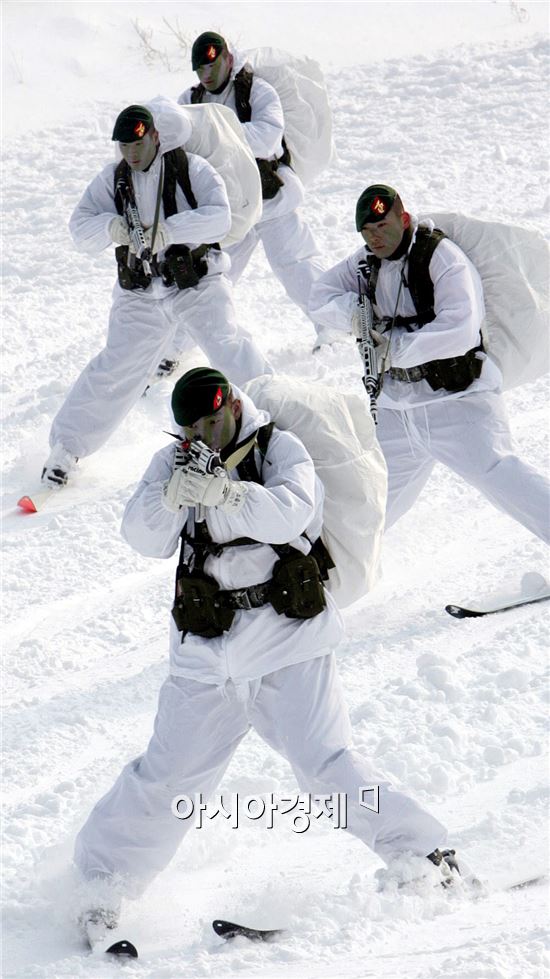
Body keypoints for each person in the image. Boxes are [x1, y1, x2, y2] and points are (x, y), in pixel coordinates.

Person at [74, 367, 458, 938]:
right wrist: (170, 498)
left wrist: (227, 492)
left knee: (325, 763)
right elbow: (142, 538)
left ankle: (427, 858)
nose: (201, 437)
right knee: (166, 776)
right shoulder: (174, 458)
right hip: (206, 651)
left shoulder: (280, 446)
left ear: (230, 406)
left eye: (210, 422)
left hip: (287, 641)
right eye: (190, 429)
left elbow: (294, 511)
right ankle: (101, 889)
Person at [41, 99, 271, 488]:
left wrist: (171, 230)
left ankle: (276, 421)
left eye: (138, 144)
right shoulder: (112, 179)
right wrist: (110, 227)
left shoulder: (191, 168)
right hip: (140, 293)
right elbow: (79, 228)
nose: (131, 154)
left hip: (195, 283)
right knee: (115, 368)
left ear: (156, 138)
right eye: (123, 147)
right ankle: (66, 450)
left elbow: (221, 217)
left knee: (228, 346)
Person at [309, 184, 550, 542]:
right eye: (367, 231)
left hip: (455, 402)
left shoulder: (441, 256)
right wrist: (356, 318)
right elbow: (320, 294)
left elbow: (461, 327)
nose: (376, 237)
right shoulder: (366, 261)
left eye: (383, 226)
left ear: (403, 219)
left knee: (500, 475)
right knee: (372, 503)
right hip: (397, 410)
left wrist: (396, 348)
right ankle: (321, 585)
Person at [177, 32, 325, 333]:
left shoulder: (255, 90)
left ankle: (331, 326)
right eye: (200, 70)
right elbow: (179, 146)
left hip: (271, 197)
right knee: (212, 278)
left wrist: (216, 136)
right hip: (229, 207)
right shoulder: (190, 102)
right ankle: (177, 349)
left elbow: (267, 137)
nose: (207, 75)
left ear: (228, 59)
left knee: (294, 263)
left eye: (212, 66)